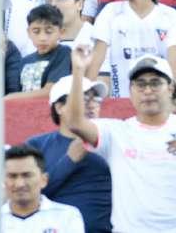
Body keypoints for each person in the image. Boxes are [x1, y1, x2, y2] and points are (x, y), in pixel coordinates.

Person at [63, 52, 176, 232]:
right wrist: (78, 71)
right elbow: (74, 123)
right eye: (140, 84)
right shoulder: (115, 131)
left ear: (171, 88)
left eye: (155, 83)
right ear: (131, 91)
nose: (147, 91)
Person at [25, 76, 112, 233]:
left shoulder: (113, 141)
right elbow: (26, 194)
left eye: (96, 99)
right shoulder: (37, 145)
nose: (91, 105)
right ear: (59, 107)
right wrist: (70, 160)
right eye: (84, 99)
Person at [0, 145, 85, 233]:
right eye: (12, 176)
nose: (19, 184)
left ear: (44, 180)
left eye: (27, 175)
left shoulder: (67, 216)